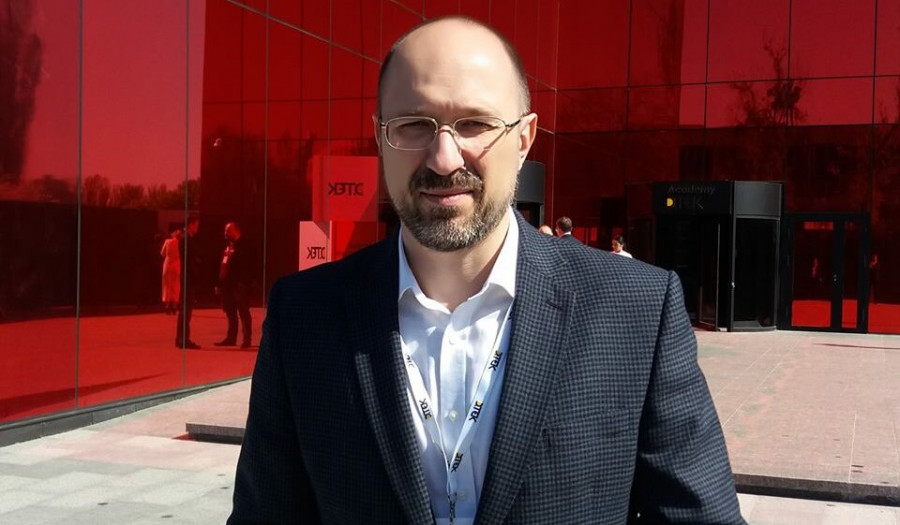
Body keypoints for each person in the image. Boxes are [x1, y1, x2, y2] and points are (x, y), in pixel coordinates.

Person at [229, 16, 744, 525]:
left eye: (474, 124)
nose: (443, 157)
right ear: (380, 138)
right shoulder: (304, 316)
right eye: (413, 125)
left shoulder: (636, 310)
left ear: (524, 138)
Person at [215, 222, 253, 348]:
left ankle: (247, 339)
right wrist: (219, 283)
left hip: (239, 285)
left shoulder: (245, 246)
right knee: (230, 312)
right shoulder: (228, 247)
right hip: (227, 285)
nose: (225, 233)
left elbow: (248, 266)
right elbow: (223, 266)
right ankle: (231, 338)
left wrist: (246, 283)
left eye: (228, 231)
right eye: (225, 231)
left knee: (243, 312)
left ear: (236, 231)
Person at [175, 215, 201, 349]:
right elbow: (190, 260)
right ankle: (184, 339)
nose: (197, 228)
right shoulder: (186, 239)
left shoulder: (185, 238)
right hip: (188, 277)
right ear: (190, 224)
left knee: (184, 309)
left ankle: (180, 338)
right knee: (186, 309)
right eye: (196, 225)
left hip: (187, 276)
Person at [160, 228, 182, 314]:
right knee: (176, 286)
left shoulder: (167, 241)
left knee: (167, 285)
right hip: (177, 265)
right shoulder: (180, 243)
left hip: (167, 264)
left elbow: (162, 253)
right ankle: (174, 306)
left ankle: (167, 306)